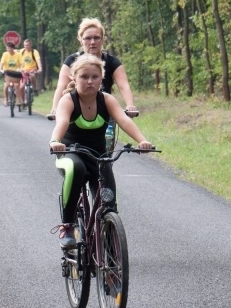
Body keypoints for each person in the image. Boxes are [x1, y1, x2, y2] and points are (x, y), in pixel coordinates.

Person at [49, 54, 153, 249]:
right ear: (74, 78)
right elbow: (61, 123)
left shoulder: (106, 100)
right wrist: (55, 141)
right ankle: (68, 226)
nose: (90, 81)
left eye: (95, 77)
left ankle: (111, 257)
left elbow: (124, 120)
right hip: (70, 154)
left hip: (99, 157)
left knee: (108, 205)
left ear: (101, 78)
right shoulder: (68, 100)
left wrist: (142, 141)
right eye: (84, 76)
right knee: (76, 169)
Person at [50, 18, 137, 115]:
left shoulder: (112, 62)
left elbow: (123, 85)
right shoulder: (71, 61)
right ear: (81, 40)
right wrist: (55, 107)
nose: (92, 42)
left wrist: (130, 105)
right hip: (76, 111)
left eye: (96, 38)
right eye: (88, 38)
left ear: (102, 39)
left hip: (104, 110)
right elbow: (61, 86)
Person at [0, 41, 24, 106]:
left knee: (17, 86)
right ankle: (6, 99)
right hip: (7, 72)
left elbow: (22, 63)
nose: (8, 49)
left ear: (13, 48)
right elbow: (2, 63)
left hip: (16, 72)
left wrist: (20, 69)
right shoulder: (5, 54)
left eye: (9, 48)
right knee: (6, 86)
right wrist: (0, 69)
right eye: (7, 48)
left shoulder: (18, 54)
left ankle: (19, 100)